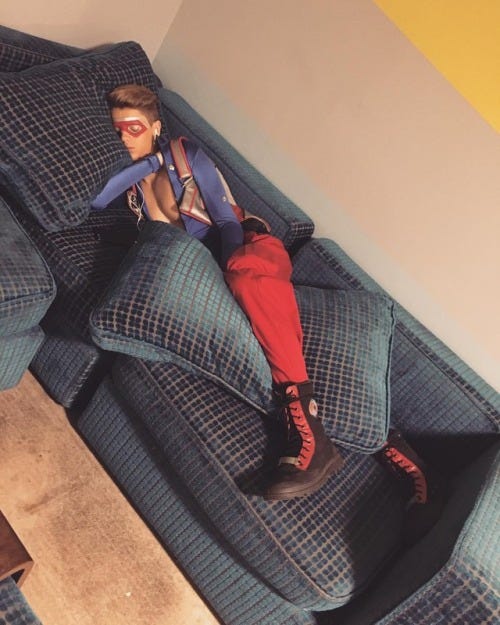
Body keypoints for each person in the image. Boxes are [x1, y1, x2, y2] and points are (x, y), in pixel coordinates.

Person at [92, 84, 346, 501]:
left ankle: (310, 434)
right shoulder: (134, 186)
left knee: (246, 279)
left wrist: (224, 273)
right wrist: (147, 163)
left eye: (134, 128)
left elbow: (226, 223)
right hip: (211, 265)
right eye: (118, 129)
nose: (124, 138)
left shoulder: (185, 155)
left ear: (155, 127)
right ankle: (316, 435)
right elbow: (99, 201)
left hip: (249, 246)